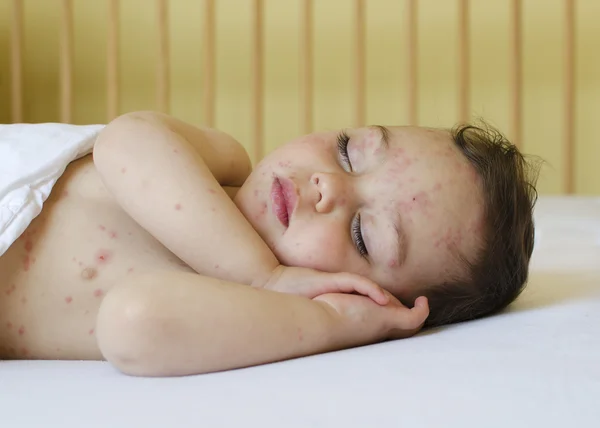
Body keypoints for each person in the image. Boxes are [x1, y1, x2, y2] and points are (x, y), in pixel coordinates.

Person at [0, 111, 538, 376]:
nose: (329, 185)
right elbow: (124, 140)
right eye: (350, 151)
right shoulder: (225, 162)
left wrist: (326, 324)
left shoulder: (227, 312)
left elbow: (131, 322)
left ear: (365, 297)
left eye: (361, 234)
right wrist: (260, 272)